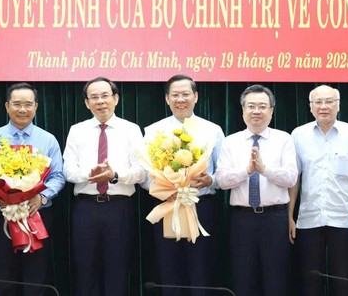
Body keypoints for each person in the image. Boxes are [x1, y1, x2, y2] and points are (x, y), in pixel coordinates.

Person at [0, 83, 65, 296]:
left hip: (37, 215)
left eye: (28, 104)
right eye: (17, 104)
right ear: (7, 106)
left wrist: (42, 197)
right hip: (0, 216)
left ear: (36, 106)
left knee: (35, 276)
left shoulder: (48, 140)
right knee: (2, 276)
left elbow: (58, 176)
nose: (22, 109)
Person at [63, 77, 146, 296]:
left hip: (119, 208)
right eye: (94, 97)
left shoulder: (131, 130)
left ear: (115, 98)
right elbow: (68, 170)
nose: (100, 101)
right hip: (86, 208)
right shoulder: (77, 130)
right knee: (85, 268)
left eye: (105, 96)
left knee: (118, 267)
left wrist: (115, 175)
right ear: (86, 103)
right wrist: (89, 174)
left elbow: (141, 172)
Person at [143, 74, 224, 295]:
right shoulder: (153, 131)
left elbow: (223, 172)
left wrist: (211, 180)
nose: (181, 99)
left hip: (201, 206)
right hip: (167, 206)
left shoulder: (212, 130)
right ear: (167, 99)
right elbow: (145, 175)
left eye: (186, 94)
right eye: (175, 95)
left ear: (195, 97)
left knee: (201, 269)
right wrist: (164, 189)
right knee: (169, 268)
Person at [288, 85, 348, 296]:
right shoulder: (298, 135)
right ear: (310, 107)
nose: (323, 106)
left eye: (329, 101)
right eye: (318, 102)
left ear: (338, 105)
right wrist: (289, 216)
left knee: (344, 281)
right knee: (310, 281)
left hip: (344, 218)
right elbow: (294, 179)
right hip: (309, 218)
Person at [216, 84, 298, 296]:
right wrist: (246, 171)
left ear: (271, 111)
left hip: (275, 218)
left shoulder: (284, 139)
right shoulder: (231, 142)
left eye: (262, 106)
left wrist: (264, 170)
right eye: (251, 106)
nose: (256, 111)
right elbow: (222, 181)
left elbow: (291, 178)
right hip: (242, 219)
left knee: (276, 279)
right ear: (243, 110)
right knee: (243, 279)